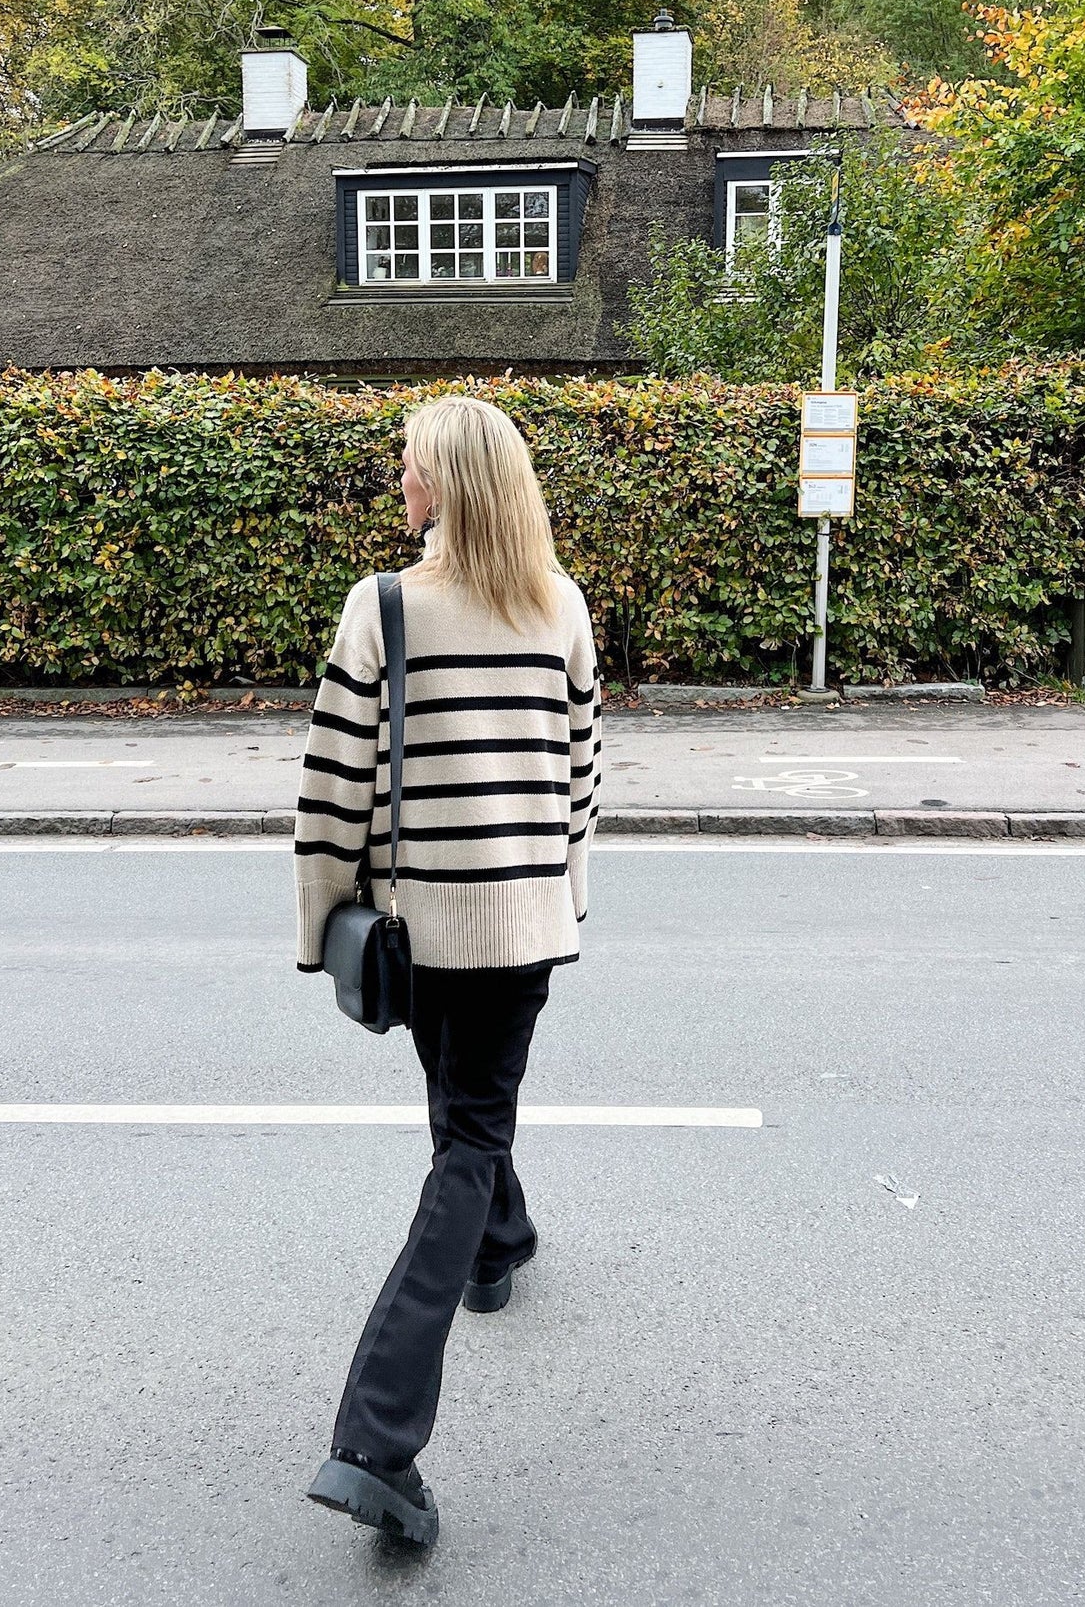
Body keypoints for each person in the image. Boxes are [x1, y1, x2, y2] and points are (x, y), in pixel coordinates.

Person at [295, 395, 601, 1549]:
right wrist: (556, 894)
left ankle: (375, 1439)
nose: (400, 488)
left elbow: (332, 784)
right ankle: (495, 1244)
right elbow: (581, 775)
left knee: (464, 1121)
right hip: (521, 927)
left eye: (412, 469)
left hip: (416, 927)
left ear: (451, 487)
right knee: (473, 1114)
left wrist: (323, 920)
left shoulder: (383, 609)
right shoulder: (557, 605)